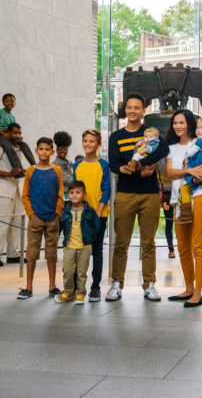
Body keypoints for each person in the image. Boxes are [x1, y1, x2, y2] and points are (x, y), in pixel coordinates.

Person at [106, 92, 169, 302]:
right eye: (129, 107)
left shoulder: (150, 133)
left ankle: (149, 285)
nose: (132, 111)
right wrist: (135, 171)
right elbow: (115, 165)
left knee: (148, 242)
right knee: (121, 243)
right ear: (125, 110)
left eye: (137, 108)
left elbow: (164, 149)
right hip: (125, 194)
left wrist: (141, 163)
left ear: (143, 111)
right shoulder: (116, 137)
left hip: (149, 195)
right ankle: (116, 284)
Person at [166, 109, 202, 308]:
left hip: (201, 197)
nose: (178, 126)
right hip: (179, 200)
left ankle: (198, 293)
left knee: (197, 245)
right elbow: (170, 174)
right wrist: (189, 170)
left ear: (190, 124)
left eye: (182, 122)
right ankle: (188, 288)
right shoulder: (171, 148)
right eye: (175, 123)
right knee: (183, 248)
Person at [18, 137, 64, 299]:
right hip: (35, 217)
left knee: (51, 253)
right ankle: (28, 287)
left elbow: (60, 193)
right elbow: (25, 195)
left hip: (52, 217)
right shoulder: (31, 171)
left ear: (52, 152)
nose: (44, 152)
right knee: (32, 251)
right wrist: (31, 213)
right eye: (41, 149)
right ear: (36, 151)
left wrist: (58, 211)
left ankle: (52, 286)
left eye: (47, 149)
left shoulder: (56, 170)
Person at [73, 129, 111, 302]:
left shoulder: (103, 164)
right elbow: (74, 189)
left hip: (99, 215)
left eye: (91, 141)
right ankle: (76, 287)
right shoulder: (77, 165)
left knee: (97, 250)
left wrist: (97, 211)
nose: (88, 144)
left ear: (98, 144)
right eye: (85, 140)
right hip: (79, 215)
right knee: (77, 250)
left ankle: (95, 288)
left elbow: (106, 189)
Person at [56, 181, 100, 304]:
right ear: (67, 194)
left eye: (78, 192)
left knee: (82, 273)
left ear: (84, 195)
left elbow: (96, 225)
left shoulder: (89, 211)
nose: (74, 195)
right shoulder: (65, 210)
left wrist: (91, 238)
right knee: (68, 271)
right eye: (71, 193)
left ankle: (80, 294)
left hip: (85, 247)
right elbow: (60, 226)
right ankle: (68, 292)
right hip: (69, 247)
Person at [0, 123, 28, 266]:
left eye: (19, 132)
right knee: (3, 225)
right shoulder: (1, 147)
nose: (17, 135)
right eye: (15, 132)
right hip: (3, 190)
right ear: (7, 133)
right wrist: (8, 174)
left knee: (16, 223)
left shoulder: (18, 149)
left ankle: (13, 254)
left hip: (17, 189)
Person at [0, 94, 35, 175]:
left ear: (15, 102)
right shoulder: (1, 112)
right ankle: (18, 170)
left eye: (12, 101)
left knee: (24, 145)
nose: (9, 102)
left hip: (8, 135)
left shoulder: (12, 117)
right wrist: (2, 133)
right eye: (7, 101)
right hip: (1, 135)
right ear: (3, 102)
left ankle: (35, 167)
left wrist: (18, 136)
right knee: (9, 147)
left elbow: (13, 129)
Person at [53, 131, 73, 198]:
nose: (62, 151)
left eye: (65, 149)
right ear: (56, 150)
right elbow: (68, 179)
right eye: (60, 149)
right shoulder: (55, 165)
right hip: (63, 197)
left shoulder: (70, 163)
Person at [161, 190, 175, 258]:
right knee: (169, 224)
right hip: (167, 198)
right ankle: (171, 250)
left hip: (182, 198)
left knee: (185, 224)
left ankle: (188, 249)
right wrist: (164, 200)